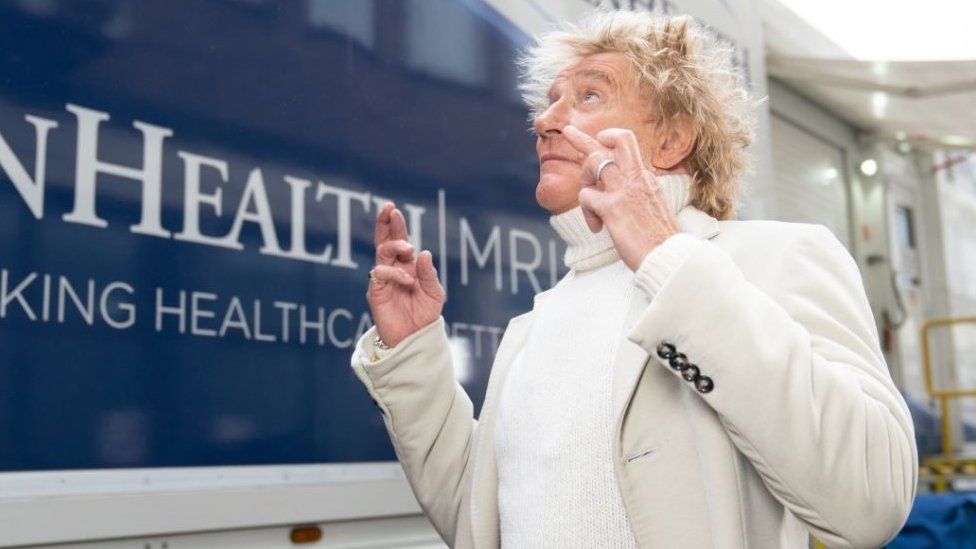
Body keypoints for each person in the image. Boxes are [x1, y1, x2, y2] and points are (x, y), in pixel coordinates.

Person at [350, 9, 917, 549]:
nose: (544, 123)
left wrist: (664, 255)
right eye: (549, 105)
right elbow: (477, 525)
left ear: (672, 141)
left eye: (589, 95)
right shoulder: (535, 324)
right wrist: (413, 353)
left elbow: (869, 503)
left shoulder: (777, 258)